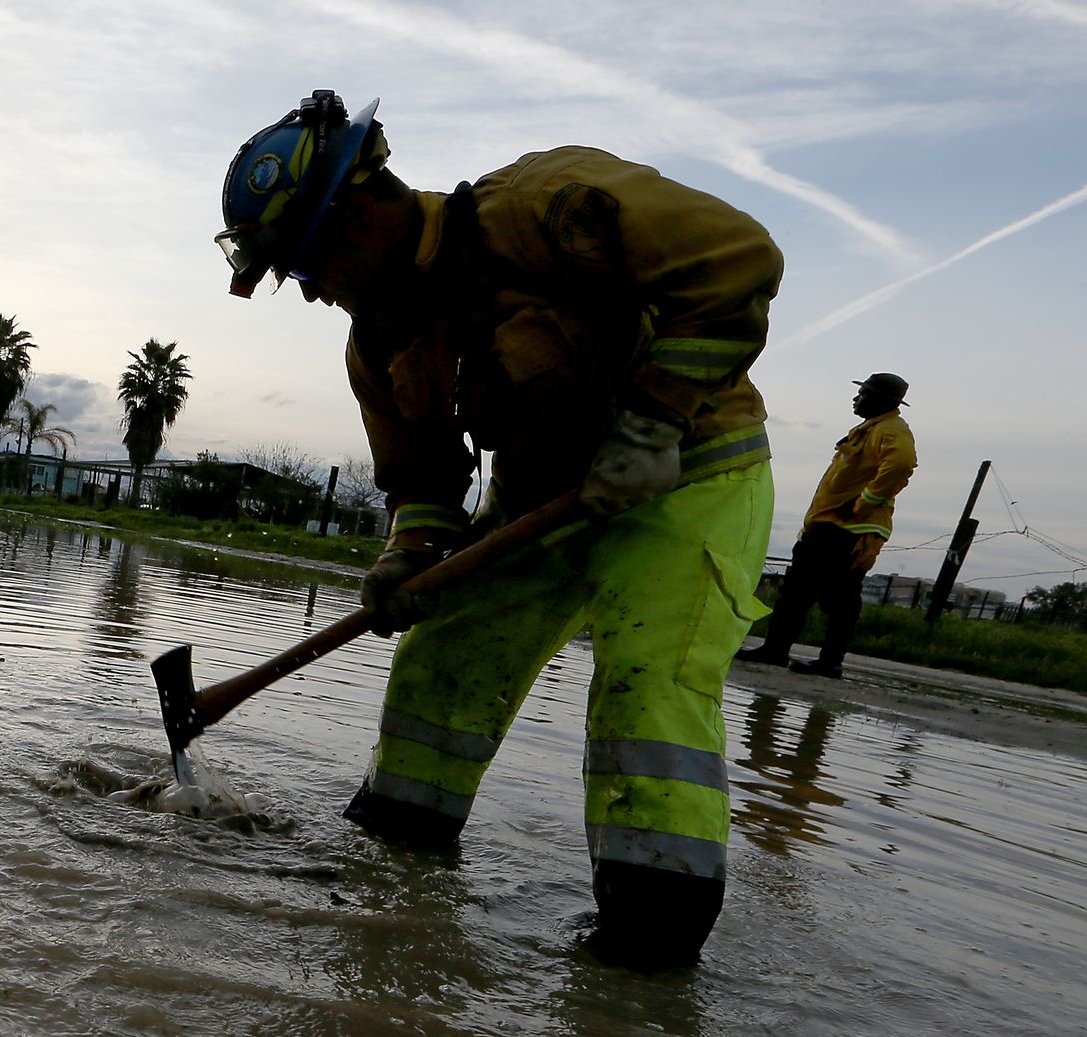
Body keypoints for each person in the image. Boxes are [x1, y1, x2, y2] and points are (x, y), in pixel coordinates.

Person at [216, 91, 784, 969]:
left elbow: (739, 261)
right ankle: (394, 889)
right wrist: (407, 555)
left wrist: (655, 421)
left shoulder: (546, 206)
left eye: (305, 266)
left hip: (689, 475)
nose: (313, 293)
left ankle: (643, 967)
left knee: (647, 694)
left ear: (361, 214)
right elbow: (426, 480)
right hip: (540, 503)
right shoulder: (379, 343)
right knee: (438, 666)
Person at [736, 373, 917, 678]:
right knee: (796, 593)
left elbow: (900, 465)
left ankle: (829, 661)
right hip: (828, 525)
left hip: (848, 530)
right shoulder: (872, 429)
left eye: (863, 394)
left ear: (881, 400)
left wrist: (864, 503)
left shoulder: (891, 430)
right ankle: (776, 650)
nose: (855, 399)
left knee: (838, 599)